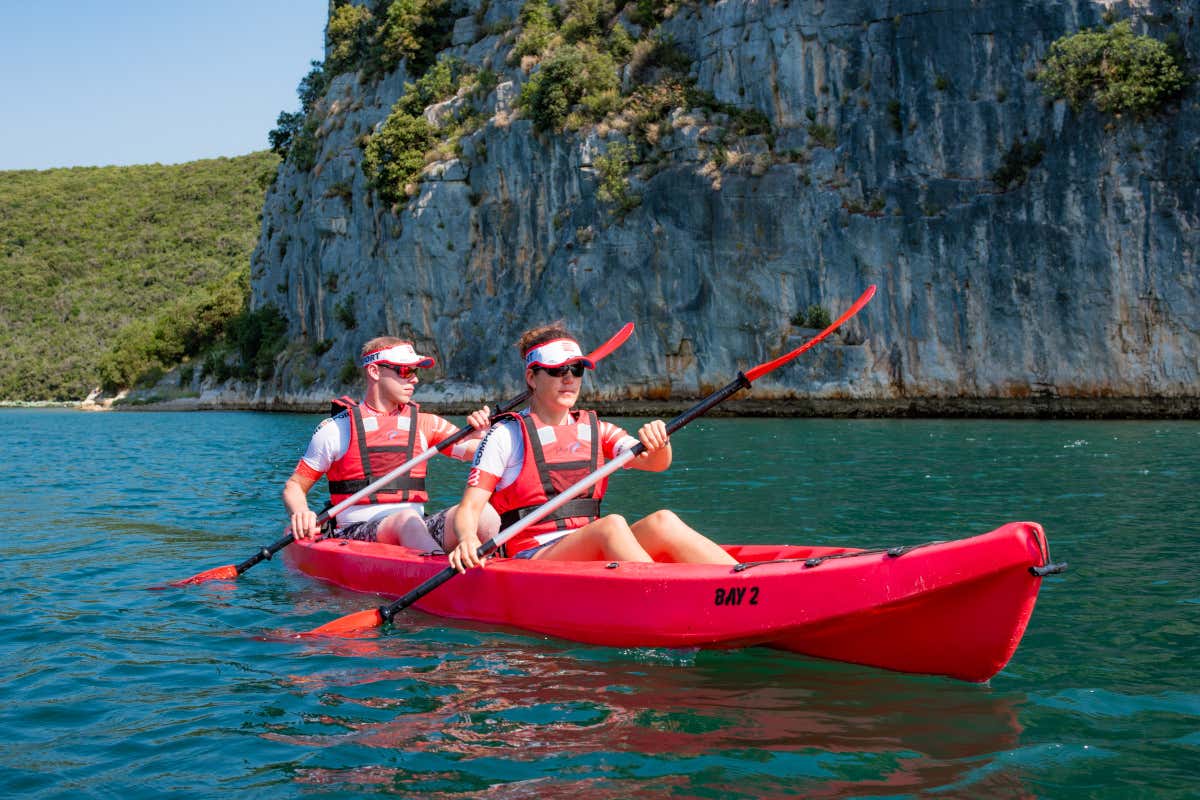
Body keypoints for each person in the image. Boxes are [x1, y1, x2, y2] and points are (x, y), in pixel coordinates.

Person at [447, 323, 738, 572]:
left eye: (576, 369)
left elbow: (655, 463)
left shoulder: (597, 430)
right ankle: (667, 597)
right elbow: (471, 507)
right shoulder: (505, 434)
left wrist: (659, 441)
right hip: (532, 556)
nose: (569, 378)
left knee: (663, 521)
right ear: (531, 377)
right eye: (557, 370)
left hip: (589, 546)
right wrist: (467, 540)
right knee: (609, 526)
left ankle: (742, 584)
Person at [283, 336, 500, 552]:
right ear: (375, 372)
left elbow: (476, 453)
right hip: (355, 534)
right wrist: (301, 511)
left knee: (484, 515)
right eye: (405, 371)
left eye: (415, 371)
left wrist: (483, 434)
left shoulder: (426, 423)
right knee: (406, 521)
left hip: (415, 526)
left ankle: (482, 574)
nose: (414, 379)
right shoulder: (336, 429)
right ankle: (440, 570)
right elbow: (294, 487)